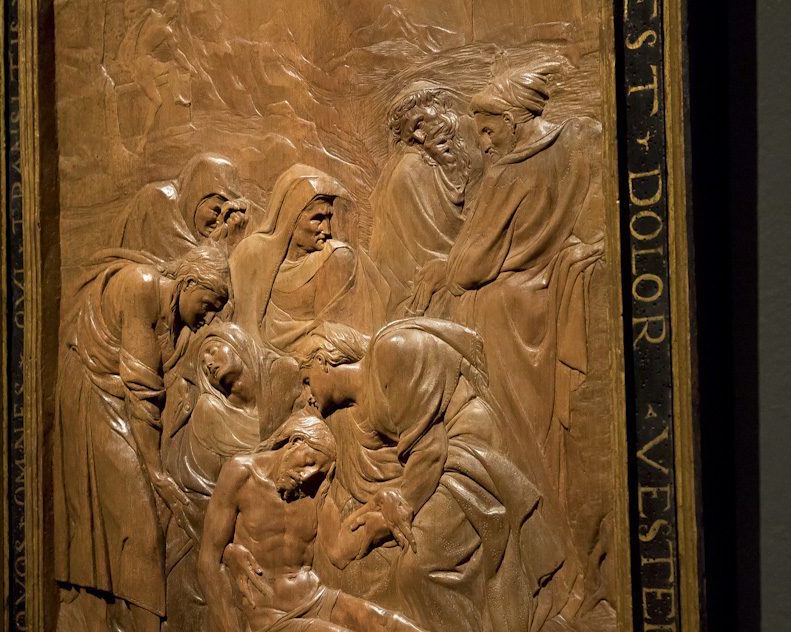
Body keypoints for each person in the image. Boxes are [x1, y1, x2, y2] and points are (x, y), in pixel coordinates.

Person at [197, 412, 583, 632]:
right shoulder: (240, 474)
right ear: (294, 441)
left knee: (400, 631)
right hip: (275, 623)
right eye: (310, 461)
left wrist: (380, 504)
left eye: (320, 469)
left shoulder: (313, 488)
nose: (310, 474)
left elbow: (340, 551)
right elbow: (207, 561)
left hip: (317, 598)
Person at [299, 320, 572, 632]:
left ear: (323, 361)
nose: (307, 395)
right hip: (441, 461)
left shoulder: (389, 353)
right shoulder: (363, 405)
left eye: (306, 380)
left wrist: (398, 509)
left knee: (419, 567)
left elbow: (430, 449)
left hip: (467, 450)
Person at [411, 60, 605, 538]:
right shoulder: (580, 142)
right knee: (543, 434)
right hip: (547, 305)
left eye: (488, 130)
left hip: (505, 318)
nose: (483, 142)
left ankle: (533, 533)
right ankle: (554, 524)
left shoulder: (509, 175)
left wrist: (445, 270)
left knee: (512, 432)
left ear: (514, 120)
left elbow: (470, 268)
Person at [53, 241, 230, 632]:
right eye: (208, 303)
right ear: (187, 282)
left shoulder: (174, 313)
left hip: (111, 397)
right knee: (136, 523)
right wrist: (155, 472)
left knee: (100, 518)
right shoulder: (142, 287)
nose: (210, 316)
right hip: (93, 394)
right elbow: (142, 390)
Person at [158, 322, 301, 632]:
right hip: (213, 528)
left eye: (212, 349)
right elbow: (196, 487)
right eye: (202, 361)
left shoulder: (281, 378)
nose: (208, 362)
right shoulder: (209, 413)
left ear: (237, 342)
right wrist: (228, 546)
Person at [228, 164, 386, 354]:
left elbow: (335, 336)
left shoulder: (334, 259)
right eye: (317, 218)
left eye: (329, 218)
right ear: (291, 216)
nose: (327, 230)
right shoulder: (252, 255)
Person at [368, 81, 474, 318]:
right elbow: (436, 246)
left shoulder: (430, 164)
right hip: (419, 297)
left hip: (443, 279)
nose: (451, 144)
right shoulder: (411, 171)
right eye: (444, 137)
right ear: (417, 130)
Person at [113, 152, 251, 258]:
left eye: (226, 217)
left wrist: (233, 240)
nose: (220, 222)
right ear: (196, 195)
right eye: (216, 210)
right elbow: (187, 270)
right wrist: (214, 246)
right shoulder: (158, 199)